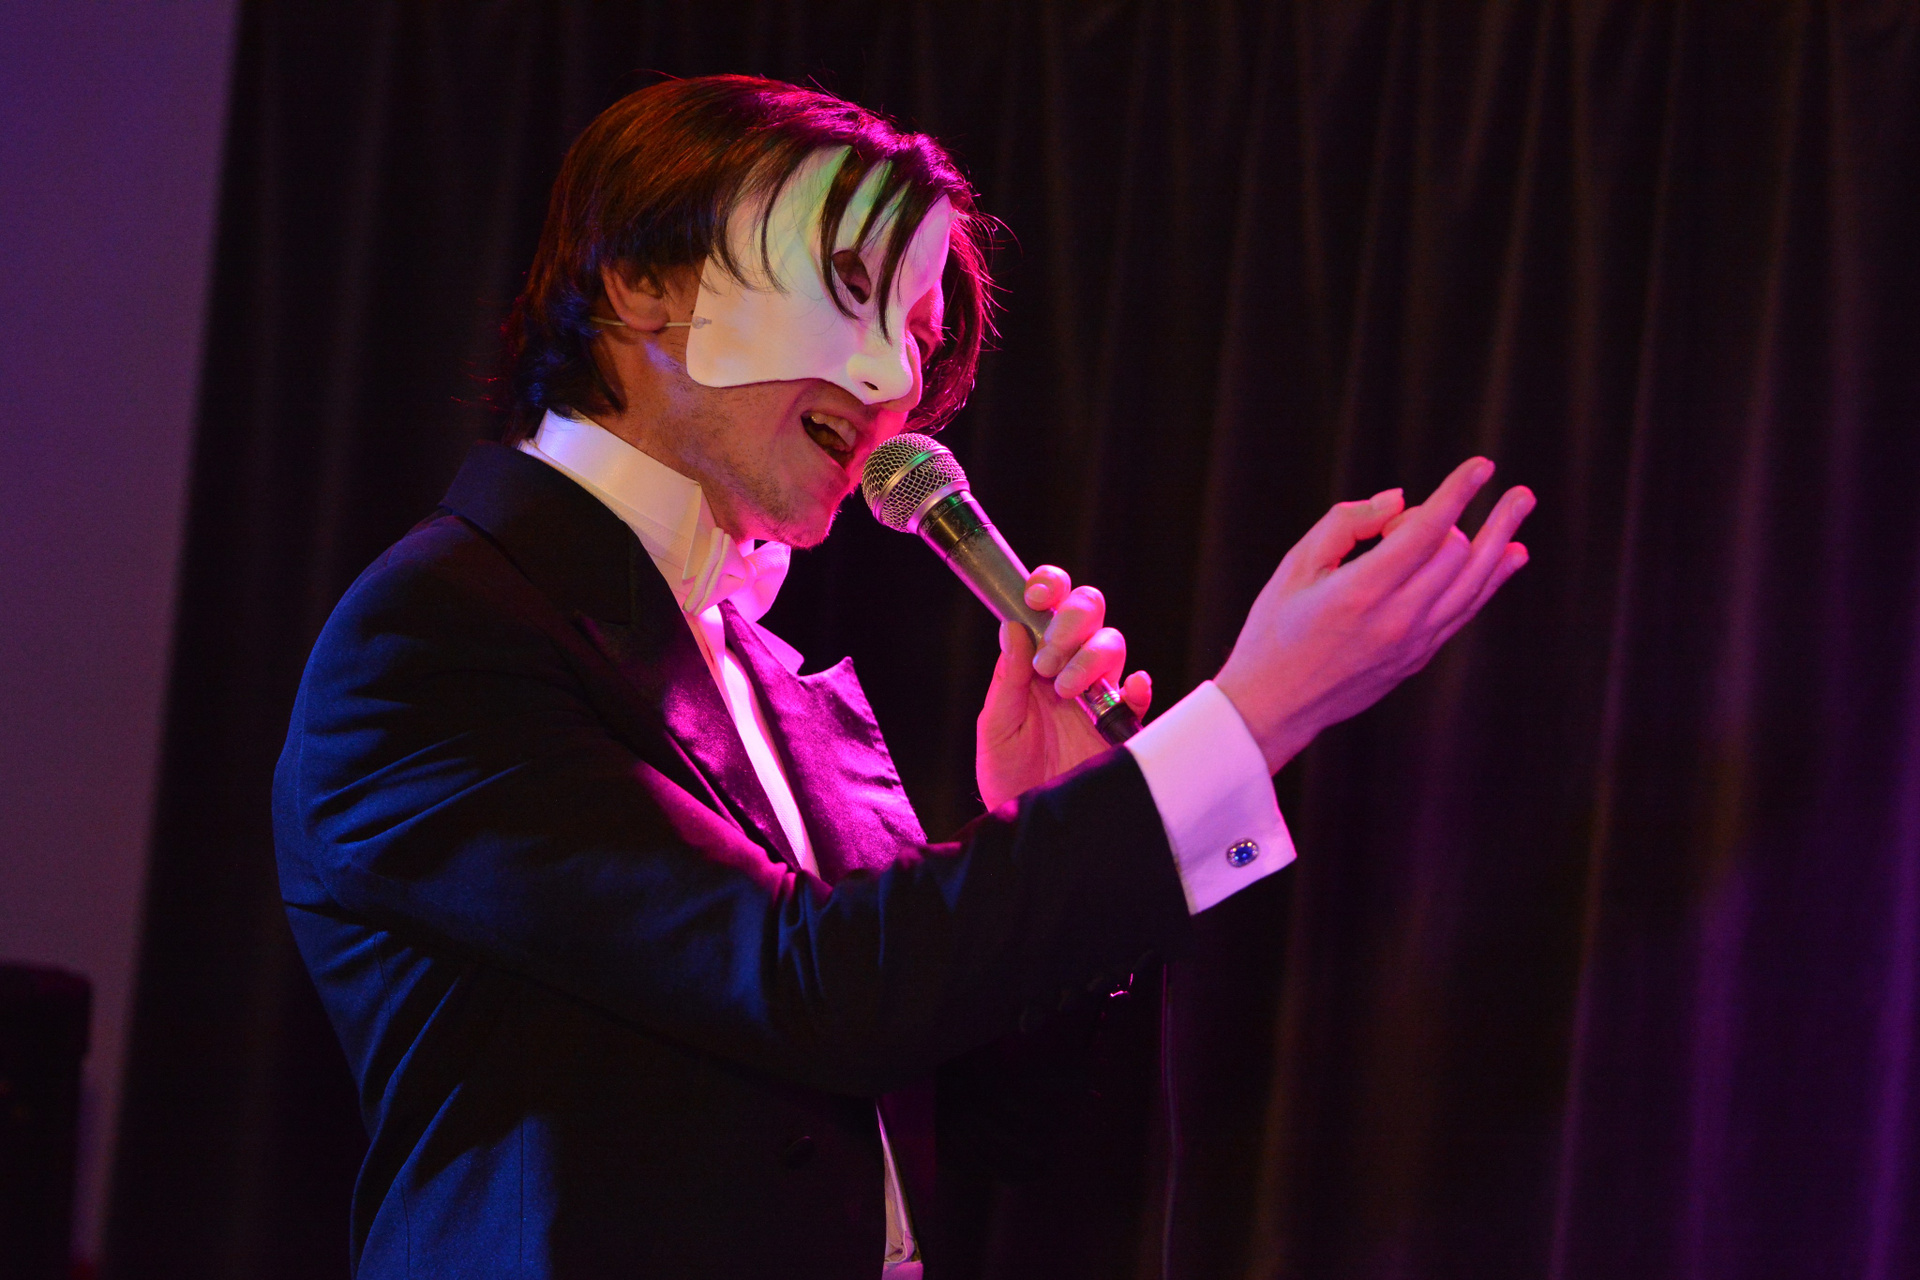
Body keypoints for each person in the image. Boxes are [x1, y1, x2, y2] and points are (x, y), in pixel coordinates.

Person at [273, 75, 1534, 1278]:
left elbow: (986, 1115)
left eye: (921, 338)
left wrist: (1045, 817)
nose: (899, 385)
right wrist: (1251, 716)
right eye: (849, 292)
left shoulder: (768, 677)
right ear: (645, 285)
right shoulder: (441, 633)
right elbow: (801, 982)